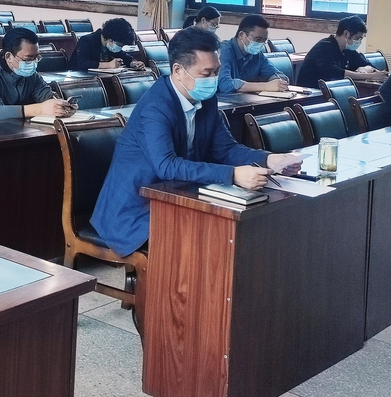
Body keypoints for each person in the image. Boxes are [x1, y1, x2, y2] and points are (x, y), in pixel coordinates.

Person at [91, 28, 301, 257]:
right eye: (206, 73)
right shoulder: (156, 107)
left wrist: (268, 158)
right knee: (211, 241)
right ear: (178, 71)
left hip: (181, 195)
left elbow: (226, 149)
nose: (213, 80)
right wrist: (232, 174)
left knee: (246, 231)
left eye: (216, 72)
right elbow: (167, 166)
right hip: (137, 210)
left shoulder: (206, 99)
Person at [0, 27, 74, 123]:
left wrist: (61, 106)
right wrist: (40, 109)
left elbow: (47, 96)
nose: (33, 63)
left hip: (18, 126)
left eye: (36, 58)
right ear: (8, 56)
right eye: (28, 59)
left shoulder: (31, 74)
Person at [296, 16, 388, 89]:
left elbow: (366, 64)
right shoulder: (324, 47)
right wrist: (369, 76)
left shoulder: (348, 50)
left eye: (361, 39)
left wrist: (366, 69)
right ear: (346, 34)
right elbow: (334, 72)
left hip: (330, 90)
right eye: (357, 38)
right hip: (313, 91)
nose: (359, 42)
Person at [218, 14, 289, 94]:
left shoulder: (256, 54)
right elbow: (225, 85)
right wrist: (265, 86)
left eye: (264, 40)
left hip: (245, 99)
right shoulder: (223, 50)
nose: (260, 43)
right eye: (258, 39)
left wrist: (278, 82)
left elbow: (278, 75)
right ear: (241, 35)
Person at [70, 17, 146, 72]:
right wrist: (108, 65)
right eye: (120, 45)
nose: (120, 47)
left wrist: (133, 63)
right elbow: (83, 63)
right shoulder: (87, 41)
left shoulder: (110, 46)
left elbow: (124, 56)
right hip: (81, 79)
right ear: (110, 39)